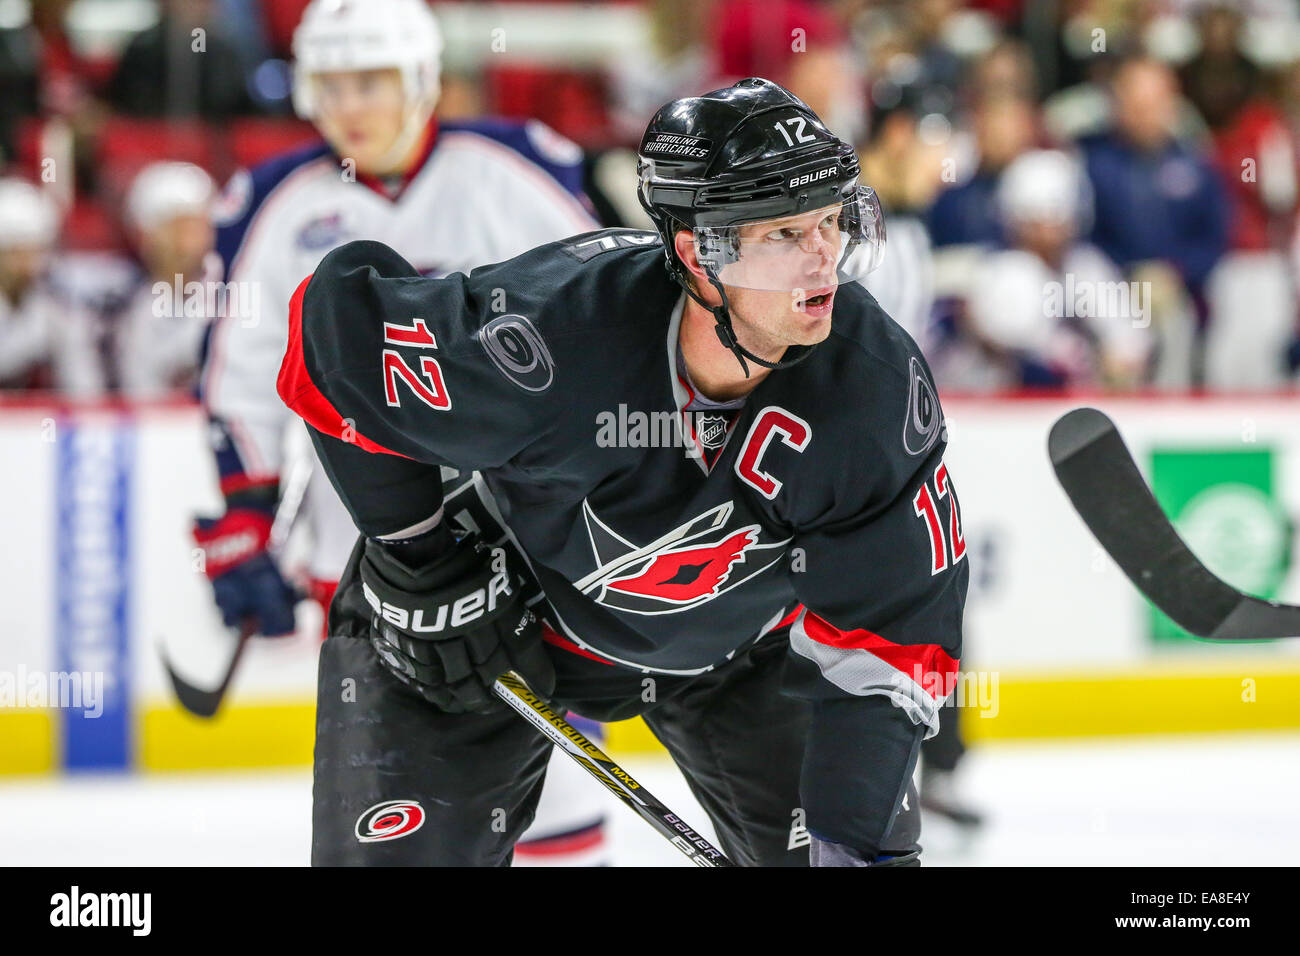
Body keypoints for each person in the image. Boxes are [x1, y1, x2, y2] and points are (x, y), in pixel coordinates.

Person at [277, 77, 968, 866]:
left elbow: (892, 638)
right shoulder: (551, 335)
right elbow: (333, 331)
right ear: (696, 255)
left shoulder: (872, 386)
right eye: (783, 234)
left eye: (829, 224)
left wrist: (858, 841)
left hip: (739, 650)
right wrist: (417, 558)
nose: (823, 258)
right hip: (487, 623)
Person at [193, 0, 604, 866]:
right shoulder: (277, 204)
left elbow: (605, 325)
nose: (353, 104)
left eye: (372, 79)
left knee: (559, 790)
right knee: (394, 798)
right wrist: (244, 515)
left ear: (421, 80)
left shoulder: (513, 169)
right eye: (332, 82)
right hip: (364, 548)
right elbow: (241, 377)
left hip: (525, 534)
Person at [109, 161, 218, 397]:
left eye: (196, 225)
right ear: (147, 235)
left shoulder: (238, 296)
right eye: (176, 228)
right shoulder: (121, 308)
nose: (188, 241)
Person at [0, 177, 103, 394]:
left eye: (33, 251)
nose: (26, 264)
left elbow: (84, 390)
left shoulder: (58, 313)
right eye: (14, 252)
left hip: (38, 425)